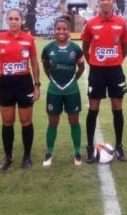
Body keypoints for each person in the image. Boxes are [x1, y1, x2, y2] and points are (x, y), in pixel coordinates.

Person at [81, 0, 127, 163]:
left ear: (113, 1)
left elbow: (124, 48)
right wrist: (94, 63)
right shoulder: (91, 24)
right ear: (98, 1)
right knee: (93, 108)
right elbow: (85, 48)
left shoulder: (121, 23)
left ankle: (119, 146)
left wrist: (115, 61)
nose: (106, 2)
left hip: (115, 71)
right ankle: (89, 148)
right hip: (97, 71)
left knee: (117, 107)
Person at [0, 8, 40, 171]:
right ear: (7, 20)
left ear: (21, 21)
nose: (13, 21)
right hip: (6, 83)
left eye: (16, 18)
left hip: (24, 82)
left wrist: (36, 84)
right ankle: (8, 156)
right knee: (7, 122)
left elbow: (34, 62)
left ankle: (27, 156)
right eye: (10, 18)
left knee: (26, 121)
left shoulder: (29, 39)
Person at [41, 16, 85, 166]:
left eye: (64, 29)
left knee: (74, 121)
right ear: (54, 31)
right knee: (53, 122)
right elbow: (46, 68)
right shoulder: (48, 49)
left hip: (72, 90)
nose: (61, 31)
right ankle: (49, 153)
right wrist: (53, 80)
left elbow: (81, 68)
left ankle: (77, 153)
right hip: (54, 91)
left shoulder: (75, 49)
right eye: (58, 29)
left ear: (69, 32)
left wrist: (73, 80)